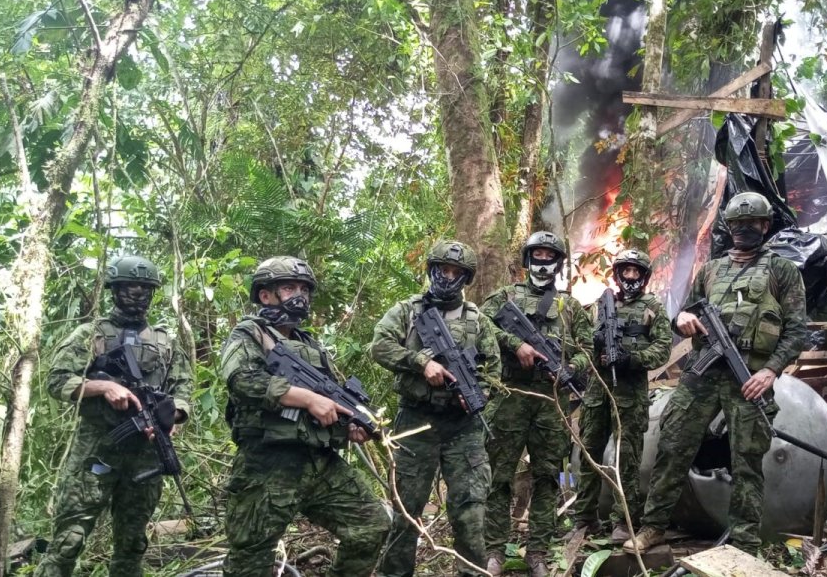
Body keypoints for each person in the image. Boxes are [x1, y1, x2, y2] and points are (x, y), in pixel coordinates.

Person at [624, 192, 807, 555]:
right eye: (737, 225)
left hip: (749, 379)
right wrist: (682, 319)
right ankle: (653, 526)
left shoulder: (782, 271)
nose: (744, 231)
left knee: (747, 461)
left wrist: (770, 371)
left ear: (765, 226)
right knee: (672, 445)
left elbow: (798, 330)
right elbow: (682, 314)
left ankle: (744, 542)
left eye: (751, 225)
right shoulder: (711, 270)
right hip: (702, 375)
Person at [219, 256, 390, 577]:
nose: (299, 295)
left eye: (304, 289)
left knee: (372, 525)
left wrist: (349, 426)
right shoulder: (249, 334)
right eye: (288, 287)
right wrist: (309, 399)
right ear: (266, 295)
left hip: (319, 464)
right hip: (267, 466)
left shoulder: (309, 344)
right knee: (250, 559)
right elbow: (243, 381)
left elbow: (330, 405)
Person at [34, 255, 193, 577]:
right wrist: (101, 387)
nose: (138, 293)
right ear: (114, 289)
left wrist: (172, 416)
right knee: (69, 540)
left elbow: (183, 386)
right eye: (129, 286)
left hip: (145, 453)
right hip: (96, 449)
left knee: (133, 543)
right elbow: (56, 380)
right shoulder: (90, 334)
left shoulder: (165, 341)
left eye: (145, 287)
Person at [370, 240, 502, 577]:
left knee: (470, 511)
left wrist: (479, 395)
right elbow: (380, 346)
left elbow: (493, 373)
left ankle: (471, 572)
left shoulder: (478, 320)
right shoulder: (407, 311)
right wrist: (419, 362)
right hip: (417, 423)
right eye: (443, 269)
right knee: (406, 509)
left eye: (456, 272)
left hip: (464, 428)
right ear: (432, 270)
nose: (448, 276)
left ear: (465, 278)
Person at [481, 231, 593, 577]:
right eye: (538, 255)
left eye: (550, 256)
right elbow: (479, 325)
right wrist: (515, 344)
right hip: (511, 397)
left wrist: (570, 369)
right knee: (498, 477)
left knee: (547, 478)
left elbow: (587, 349)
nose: (543, 262)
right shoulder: (505, 297)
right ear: (528, 259)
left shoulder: (570, 306)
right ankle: (494, 551)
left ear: (558, 263)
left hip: (551, 402)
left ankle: (538, 552)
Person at [572, 249, 670, 544]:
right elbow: (582, 344)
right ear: (617, 274)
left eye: (635, 272)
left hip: (629, 394)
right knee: (590, 452)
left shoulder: (652, 306)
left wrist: (632, 359)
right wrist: (595, 348)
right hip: (597, 392)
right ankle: (584, 517)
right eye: (625, 271)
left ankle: (624, 521)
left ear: (643, 276)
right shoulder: (600, 306)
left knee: (626, 458)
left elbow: (664, 348)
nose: (629, 277)